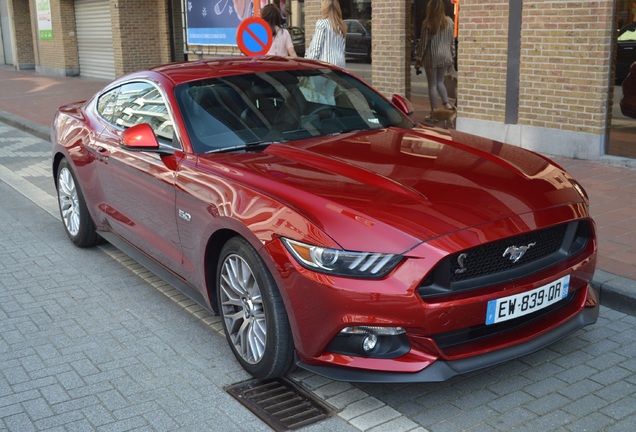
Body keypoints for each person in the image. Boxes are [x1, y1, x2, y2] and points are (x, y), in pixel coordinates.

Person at [414, 0, 455, 115]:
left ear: (430, 8)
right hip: (445, 56)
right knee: (440, 81)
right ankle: (446, 103)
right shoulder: (449, 22)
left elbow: (423, 43)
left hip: (431, 57)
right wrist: (452, 56)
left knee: (432, 83)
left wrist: (418, 59)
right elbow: (452, 41)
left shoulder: (427, 23)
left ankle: (434, 110)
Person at [304, 0, 347, 69]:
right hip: (340, 65)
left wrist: (308, 64)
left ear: (325, 8)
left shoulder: (322, 24)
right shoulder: (342, 26)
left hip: (325, 65)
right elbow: (343, 49)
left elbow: (316, 49)